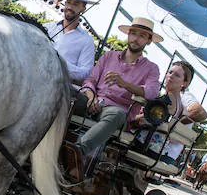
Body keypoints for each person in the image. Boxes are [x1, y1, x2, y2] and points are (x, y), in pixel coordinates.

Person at [68, 17, 161, 177]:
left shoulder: (151, 68)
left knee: (116, 114)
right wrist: (91, 98)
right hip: (94, 101)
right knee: (66, 91)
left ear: (149, 41)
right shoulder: (109, 56)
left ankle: (75, 153)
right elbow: (90, 80)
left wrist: (125, 84)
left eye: (142, 35)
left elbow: (152, 92)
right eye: (133, 33)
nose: (135, 38)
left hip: (117, 111)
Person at [45, 0, 95, 84]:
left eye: (76, 4)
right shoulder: (47, 27)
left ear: (83, 9)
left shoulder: (86, 40)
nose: (69, 7)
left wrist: (59, 63)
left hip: (58, 87)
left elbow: (85, 72)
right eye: (68, 2)